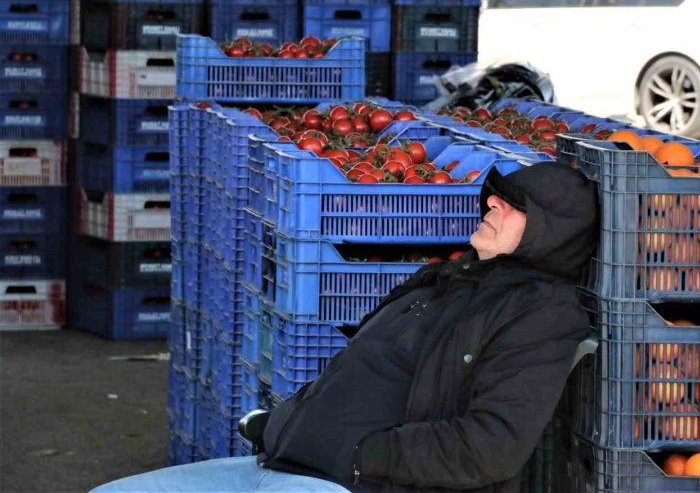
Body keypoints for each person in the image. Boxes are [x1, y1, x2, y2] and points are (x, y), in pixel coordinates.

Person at [92, 161, 599, 493]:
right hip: (286, 462)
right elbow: (364, 370)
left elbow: (490, 448)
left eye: (513, 207)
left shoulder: (539, 315)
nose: (491, 204)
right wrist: (285, 422)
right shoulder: (450, 278)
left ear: (547, 233)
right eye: (495, 196)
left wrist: (360, 454)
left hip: (347, 482)